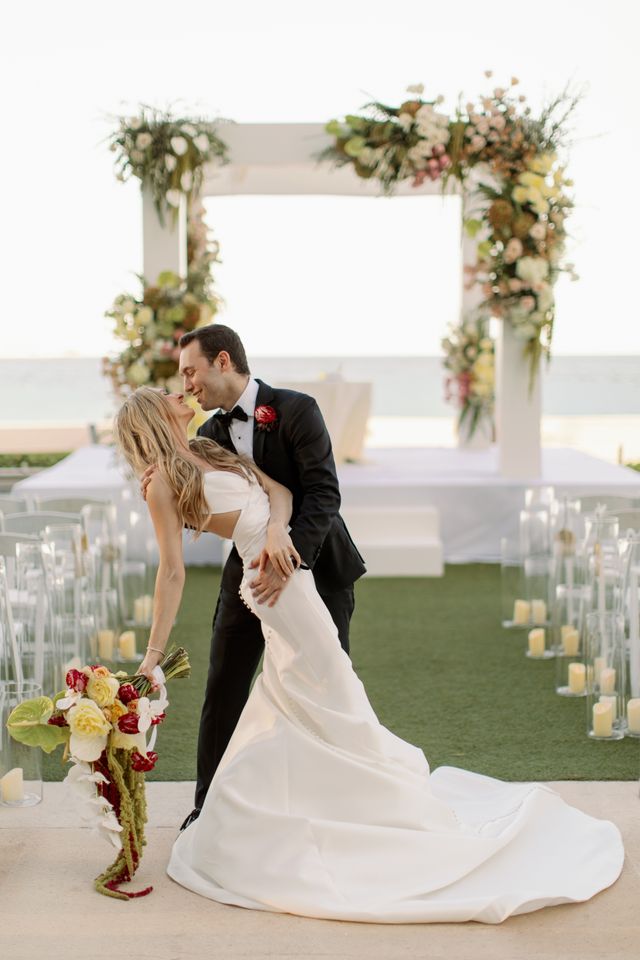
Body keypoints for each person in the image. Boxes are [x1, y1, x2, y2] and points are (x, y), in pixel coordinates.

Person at [116, 387, 623, 924]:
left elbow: (279, 492)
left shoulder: (208, 449)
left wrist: (277, 533)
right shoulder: (161, 484)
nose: (179, 390)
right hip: (271, 589)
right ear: (153, 417)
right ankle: (343, 810)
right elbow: (171, 572)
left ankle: (316, 806)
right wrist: (152, 655)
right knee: (330, 690)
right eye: (165, 394)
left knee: (312, 694)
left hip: (290, 574)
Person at [143, 324, 366, 828]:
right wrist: (160, 495)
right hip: (247, 578)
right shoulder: (207, 436)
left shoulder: (297, 409)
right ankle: (208, 808)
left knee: (327, 684)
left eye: (191, 372)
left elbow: (324, 494)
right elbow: (208, 506)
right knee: (223, 685)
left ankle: (334, 804)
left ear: (223, 361)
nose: (187, 384)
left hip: (317, 567)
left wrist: (287, 557)